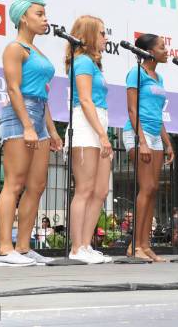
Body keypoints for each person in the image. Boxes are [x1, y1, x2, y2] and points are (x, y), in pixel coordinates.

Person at [0, 0, 62, 267]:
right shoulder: (14, 48)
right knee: (15, 183)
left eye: (45, 13)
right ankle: (3, 249)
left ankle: (22, 248)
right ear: (23, 17)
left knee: (37, 185)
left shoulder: (37, 50)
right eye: (39, 13)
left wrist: (53, 130)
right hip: (19, 116)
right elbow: (13, 89)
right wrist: (27, 125)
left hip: (39, 116)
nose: (45, 19)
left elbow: (42, 95)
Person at [65, 15, 113, 264]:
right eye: (102, 33)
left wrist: (104, 133)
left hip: (99, 124)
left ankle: (86, 244)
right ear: (91, 35)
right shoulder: (82, 61)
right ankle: (76, 248)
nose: (106, 38)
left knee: (100, 190)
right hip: (86, 127)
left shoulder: (94, 65)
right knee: (84, 189)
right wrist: (102, 135)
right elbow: (84, 100)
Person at [122, 34, 174, 262]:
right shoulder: (136, 73)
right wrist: (141, 141)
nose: (167, 51)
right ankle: (135, 245)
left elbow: (158, 115)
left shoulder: (159, 77)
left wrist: (168, 142)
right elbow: (132, 111)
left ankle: (145, 244)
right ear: (150, 52)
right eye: (162, 47)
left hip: (155, 136)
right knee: (147, 187)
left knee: (153, 190)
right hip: (137, 134)